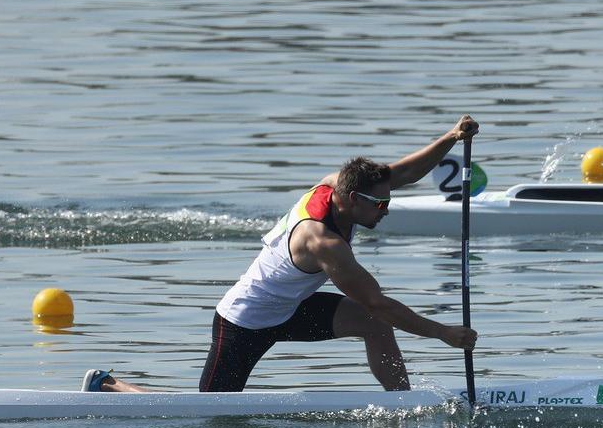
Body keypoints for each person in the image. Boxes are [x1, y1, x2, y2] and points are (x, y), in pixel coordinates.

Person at [83, 117, 480, 395]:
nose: (386, 209)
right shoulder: (323, 243)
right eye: (379, 206)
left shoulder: (340, 186)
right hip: (244, 321)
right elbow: (378, 300)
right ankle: (107, 385)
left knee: (374, 325)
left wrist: (449, 136)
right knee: (207, 414)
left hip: (291, 306)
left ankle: (401, 404)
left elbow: (401, 173)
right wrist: (442, 333)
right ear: (352, 200)